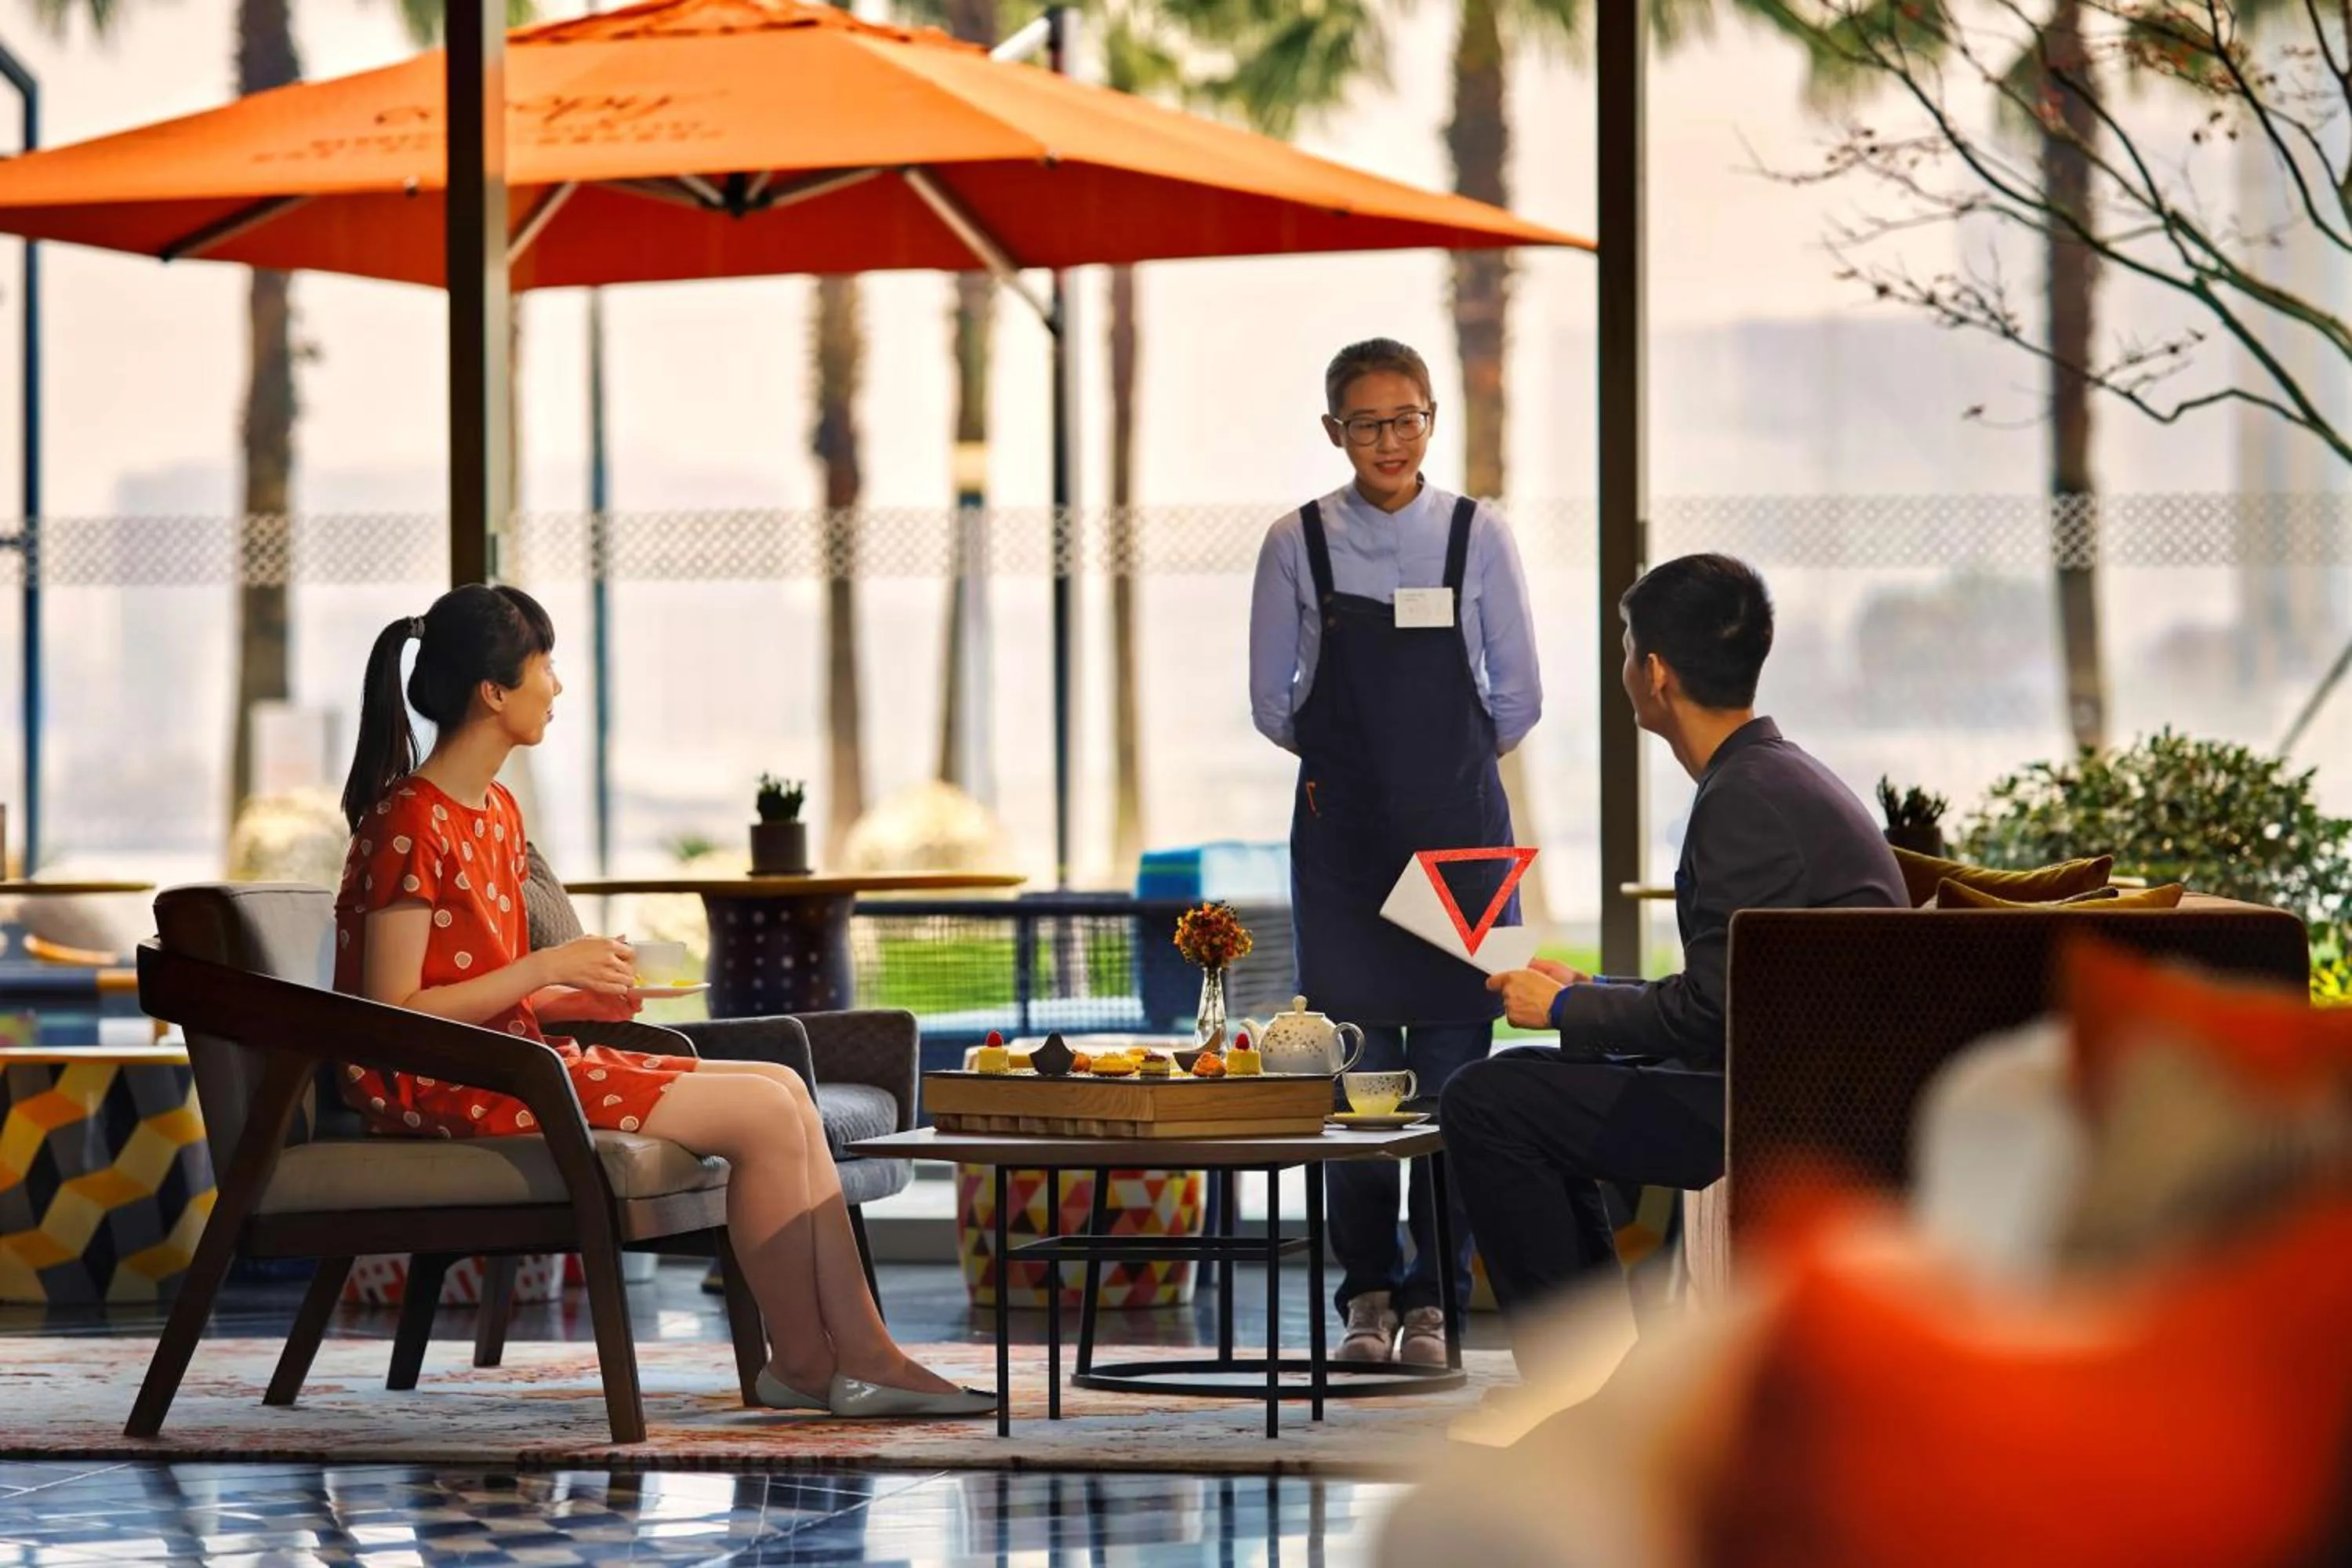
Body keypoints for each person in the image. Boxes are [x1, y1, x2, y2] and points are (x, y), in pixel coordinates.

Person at [332, 583, 993, 1419]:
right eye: (545, 667)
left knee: (783, 1090)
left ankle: (831, 1356)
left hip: (512, 1062)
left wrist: (584, 993)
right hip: (449, 1081)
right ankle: (836, 1356)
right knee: (762, 1109)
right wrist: (545, 967)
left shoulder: (494, 811)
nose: (557, 688)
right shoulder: (407, 820)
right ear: (493, 691)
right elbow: (399, 1012)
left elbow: (491, 988)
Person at [1443, 554, 1905, 1352]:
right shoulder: (1773, 776)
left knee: (1488, 1101)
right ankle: (1597, 1375)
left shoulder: (1746, 798)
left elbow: (1714, 1010)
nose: (1624, 664)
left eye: (1626, 646)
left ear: (1654, 673)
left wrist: (1563, 1008)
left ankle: (1578, 1380)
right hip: (1783, 1077)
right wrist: (1589, 988)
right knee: (1514, 1089)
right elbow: (1736, 984)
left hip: (1779, 1105)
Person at [1249, 337, 1542, 1367]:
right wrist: (1363, 776)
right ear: (1334, 431)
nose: (1390, 439)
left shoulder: (1478, 534)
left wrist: (1437, 778)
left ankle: (1437, 1305)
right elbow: (1273, 704)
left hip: (1460, 844)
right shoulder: (1298, 542)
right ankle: (1367, 1298)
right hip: (1344, 849)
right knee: (1358, 1084)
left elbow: (1518, 698)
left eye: (1408, 417)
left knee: (1458, 1080)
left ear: (1432, 419)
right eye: (1368, 422)